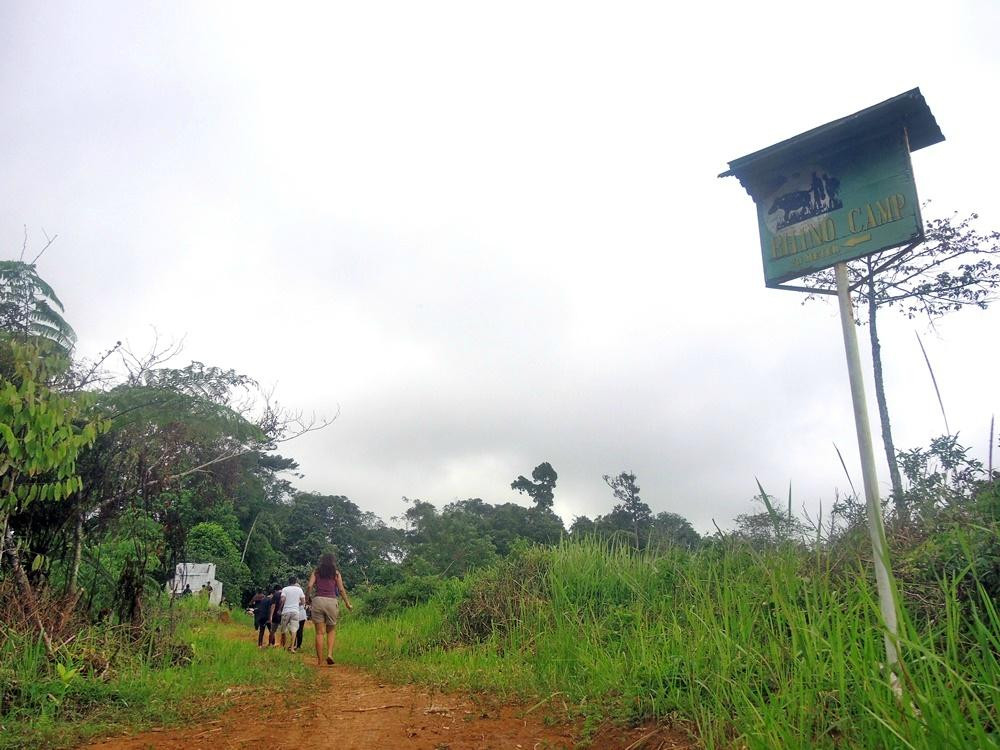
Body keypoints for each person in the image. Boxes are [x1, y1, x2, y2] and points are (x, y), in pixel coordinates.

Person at [306, 552, 352, 666]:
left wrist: (307, 598)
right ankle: (330, 654)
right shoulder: (336, 573)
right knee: (331, 630)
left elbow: (310, 586)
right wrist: (347, 604)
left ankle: (320, 661)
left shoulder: (316, 572)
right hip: (332, 601)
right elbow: (341, 589)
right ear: (333, 561)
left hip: (318, 601)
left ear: (322, 561)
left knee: (319, 633)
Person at [277, 575, 306, 652]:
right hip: (295, 611)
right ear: (295, 581)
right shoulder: (299, 590)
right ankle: (292, 648)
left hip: (286, 611)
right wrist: (297, 604)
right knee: (294, 630)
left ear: (288, 582)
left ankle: (283, 646)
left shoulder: (285, 589)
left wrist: (280, 608)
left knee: (283, 630)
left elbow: (282, 599)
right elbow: (303, 601)